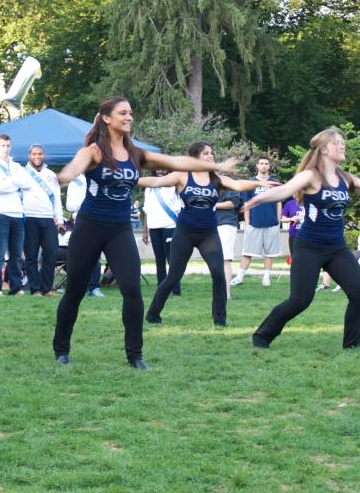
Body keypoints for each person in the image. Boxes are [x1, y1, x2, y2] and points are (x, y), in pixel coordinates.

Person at [53, 97, 239, 369]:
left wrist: (215, 167)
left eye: (130, 113)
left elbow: (177, 161)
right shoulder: (93, 151)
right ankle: (61, 348)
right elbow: (74, 167)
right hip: (89, 226)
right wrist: (64, 177)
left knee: (132, 290)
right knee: (75, 291)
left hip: (119, 229)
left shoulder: (136, 154)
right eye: (122, 113)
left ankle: (135, 355)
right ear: (106, 118)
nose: (129, 117)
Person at [243, 127, 360, 350]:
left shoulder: (344, 177)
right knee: (300, 301)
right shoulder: (311, 176)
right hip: (309, 246)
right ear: (323, 149)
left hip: (336, 248)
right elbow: (284, 191)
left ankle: (352, 343)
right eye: (337, 143)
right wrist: (256, 200)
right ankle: (262, 336)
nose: (342, 146)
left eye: (343, 143)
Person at [142, 143, 276, 328]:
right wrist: (130, 179)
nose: (210, 155)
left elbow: (237, 185)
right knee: (173, 276)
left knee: (218, 274)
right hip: (184, 233)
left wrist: (259, 183)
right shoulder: (182, 175)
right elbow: (155, 182)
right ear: (195, 157)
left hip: (208, 234)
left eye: (212, 153)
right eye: (206, 153)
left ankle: (220, 320)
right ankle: (153, 314)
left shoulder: (216, 178)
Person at [0, 134, 34, 297]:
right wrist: (15, 183)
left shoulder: (16, 166)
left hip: (18, 214)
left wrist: (10, 181)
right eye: (2, 146)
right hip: (1, 213)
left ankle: (16, 287)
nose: (5, 149)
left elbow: (28, 184)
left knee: (16, 253)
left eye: (7, 145)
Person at [233, 156, 282, 287]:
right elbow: (247, 204)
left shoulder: (274, 182)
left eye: (266, 163)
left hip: (272, 224)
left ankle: (266, 278)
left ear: (269, 166)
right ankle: (239, 277)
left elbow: (278, 203)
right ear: (257, 165)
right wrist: (247, 223)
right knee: (247, 252)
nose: (264, 166)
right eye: (262, 163)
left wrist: (278, 222)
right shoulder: (251, 183)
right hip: (254, 223)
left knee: (269, 254)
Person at [22, 143, 63, 296]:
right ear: (29, 156)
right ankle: (35, 289)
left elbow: (57, 198)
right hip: (30, 218)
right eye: (34, 154)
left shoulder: (51, 174)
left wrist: (59, 220)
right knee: (31, 256)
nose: (37, 157)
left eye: (40, 154)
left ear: (43, 155)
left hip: (48, 219)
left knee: (51, 255)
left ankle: (47, 288)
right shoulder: (22, 173)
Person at [141, 170, 182, 296]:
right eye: (157, 168)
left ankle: (175, 290)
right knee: (159, 260)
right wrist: (145, 230)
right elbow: (147, 209)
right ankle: (161, 288)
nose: (160, 171)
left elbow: (179, 209)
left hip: (170, 226)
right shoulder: (149, 188)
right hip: (154, 227)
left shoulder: (173, 186)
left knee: (172, 259)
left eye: (163, 168)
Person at [64, 173, 103, 297]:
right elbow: (69, 206)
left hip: (98, 220)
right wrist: (88, 202)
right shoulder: (75, 182)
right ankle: (81, 287)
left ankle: (94, 287)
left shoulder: (100, 178)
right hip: (81, 221)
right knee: (81, 256)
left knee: (96, 255)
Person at [214, 186, 244, 299]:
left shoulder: (230, 185)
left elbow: (233, 203)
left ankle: (226, 293)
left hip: (226, 224)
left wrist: (213, 205)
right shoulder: (208, 184)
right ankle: (219, 292)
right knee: (215, 260)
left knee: (225, 260)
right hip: (211, 224)